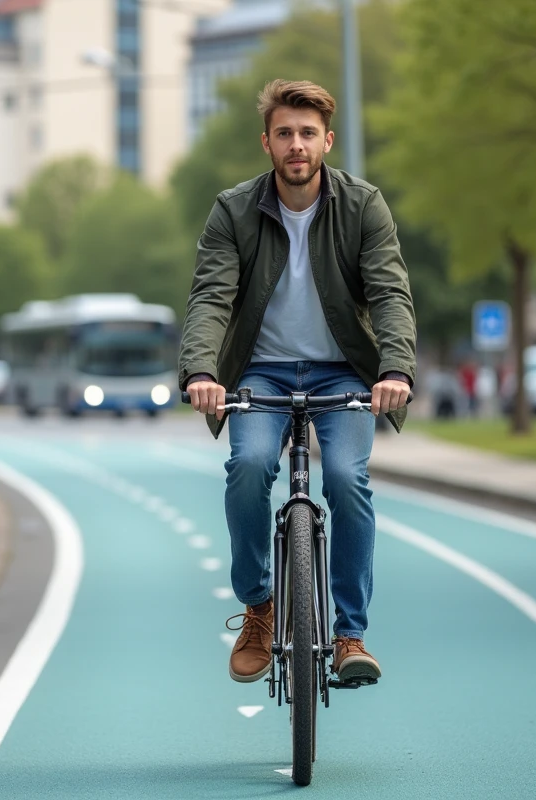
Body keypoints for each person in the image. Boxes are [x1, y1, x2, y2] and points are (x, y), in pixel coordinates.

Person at [178, 80, 417, 686]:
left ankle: (349, 636)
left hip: (344, 371)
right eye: (284, 133)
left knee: (345, 476)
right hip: (261, 370)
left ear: (327, 141)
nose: (296, 144)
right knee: (251, 464)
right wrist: (202, 371)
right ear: (267, 143)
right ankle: (259, 608)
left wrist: (395, 369)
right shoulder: (233, 210)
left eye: (308, 133)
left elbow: (389, 292)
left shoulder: (364, 206)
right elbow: (211, 297)